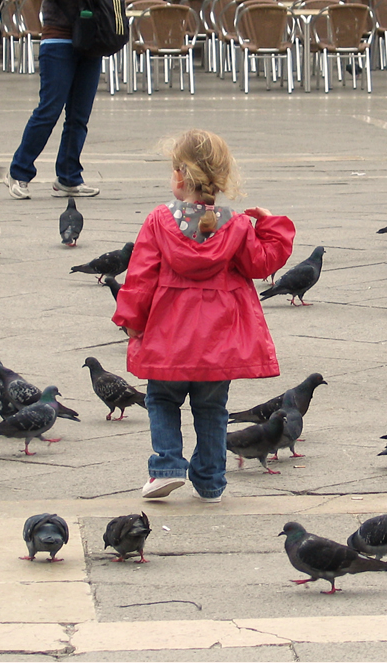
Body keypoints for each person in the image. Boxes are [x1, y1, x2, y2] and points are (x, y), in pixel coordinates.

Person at [111, 129, 295, 502]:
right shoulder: (238, 225)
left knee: (162, 400)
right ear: (223, 178)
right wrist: (272, 225)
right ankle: (210, 480)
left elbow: (140, 277)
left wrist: (132, 322)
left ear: (180, 175)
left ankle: (166, 466)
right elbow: (263, 264)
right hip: (219, 342)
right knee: (212, 408)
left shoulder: (158, 221)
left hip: (168, 338)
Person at [5, 0, 115, 200]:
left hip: (90, 40)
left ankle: (69, 177)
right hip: (58, 38)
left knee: (79, 114)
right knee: (49, 109)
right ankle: (19, 172)